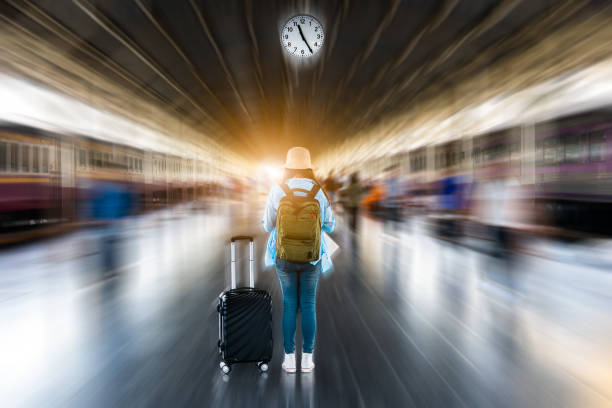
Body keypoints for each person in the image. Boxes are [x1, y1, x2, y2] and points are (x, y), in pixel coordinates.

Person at [262, 147, 335, 373]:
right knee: (308, 304)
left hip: (284, 256)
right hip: (311, 256)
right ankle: (307, 360)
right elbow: (331, 225)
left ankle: (289, 360)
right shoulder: (318, 192)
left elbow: (267, 225)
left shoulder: (277, 190)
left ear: (287, 166)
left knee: (290, 304)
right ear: (308, 166)